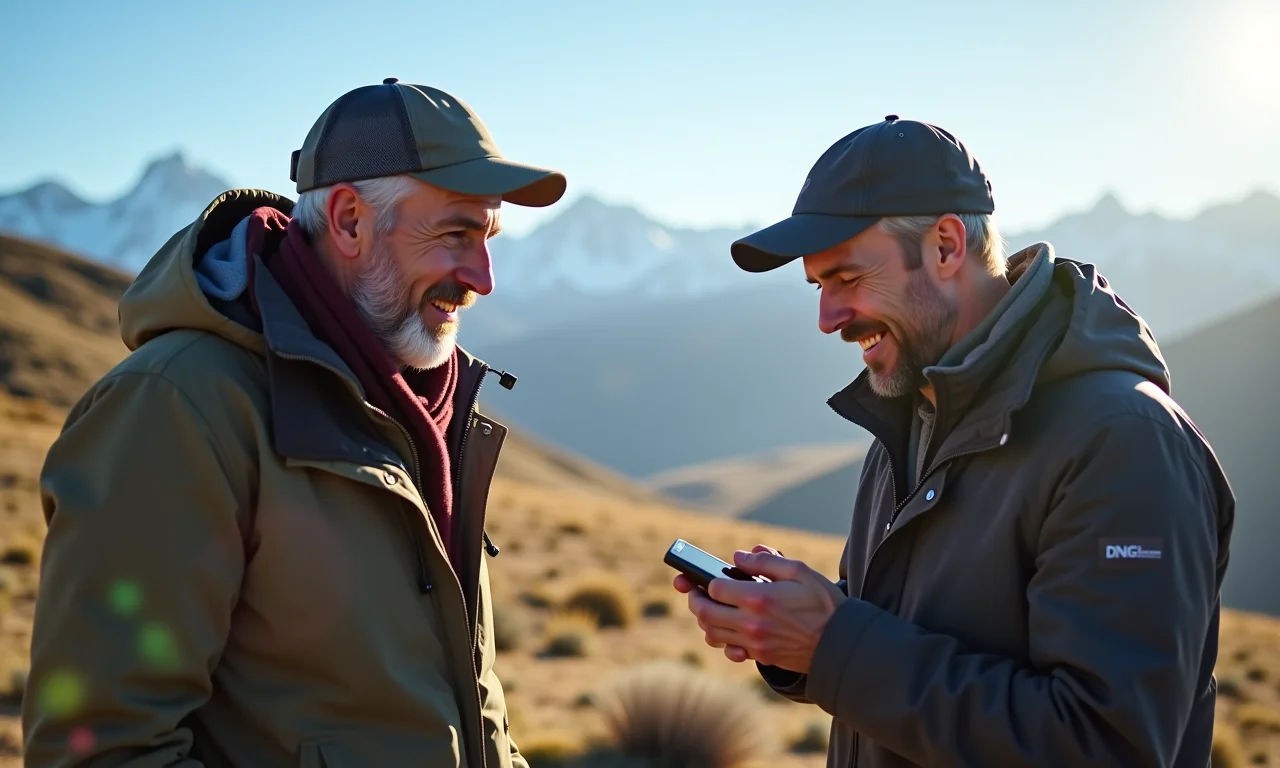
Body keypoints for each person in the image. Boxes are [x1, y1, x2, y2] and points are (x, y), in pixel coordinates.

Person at [23, 78, 565, 768]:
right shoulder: (177, 408)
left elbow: (470, 708)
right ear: (347, 220)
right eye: (456, 233)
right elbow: (103, 751)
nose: (484, 276)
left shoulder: (423, 403)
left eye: (488, 236)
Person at [674, 115, 1235, 767]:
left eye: (846, 279)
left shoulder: (1124, 444)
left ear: (945, 245)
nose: (827, 320)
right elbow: (898, 655)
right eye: (818, 287)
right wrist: (792, 638)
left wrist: (834, 644)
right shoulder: (910, 421)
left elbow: (1106, 746)